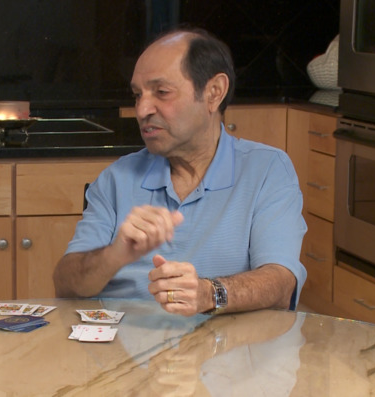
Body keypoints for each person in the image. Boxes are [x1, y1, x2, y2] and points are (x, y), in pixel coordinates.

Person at [53, 27, 307, 316]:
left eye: (162, 92)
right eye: (137, 95)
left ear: (214, 93)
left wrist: (209, 294)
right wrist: (113, 255)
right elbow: (65, 285)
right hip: (122, 340)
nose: (142, 110)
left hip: (224, 343)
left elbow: (281, 284)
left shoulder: (267, 170)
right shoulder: (115, 179)